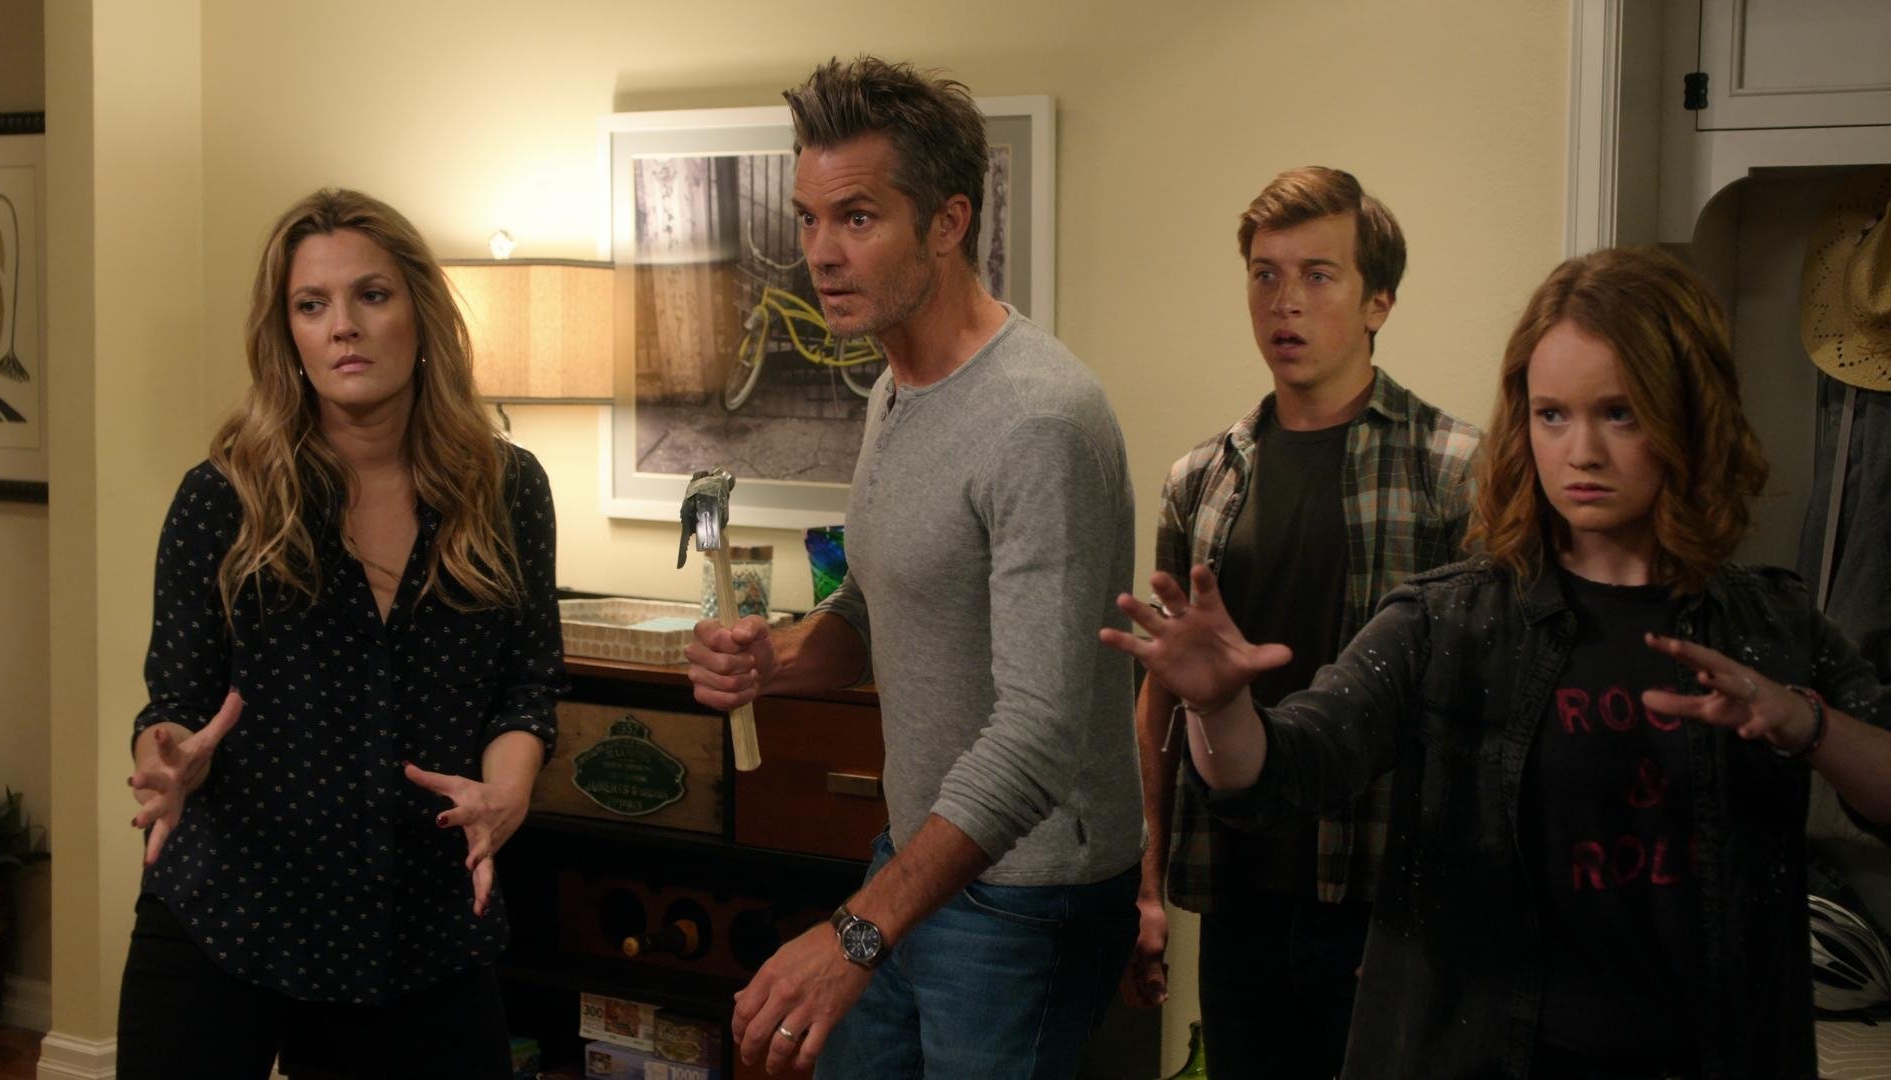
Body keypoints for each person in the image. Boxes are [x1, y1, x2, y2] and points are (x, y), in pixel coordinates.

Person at [1103, 246, 1891, 1078]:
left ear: (1691, 417)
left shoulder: (1771, 622)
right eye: (1552, 415)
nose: (1581, 451)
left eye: (1620, 414)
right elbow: (1289, 770)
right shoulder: (1449, 620)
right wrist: (1220, 708)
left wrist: (1807, 724)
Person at [684, 57, 1142, 1079]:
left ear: (947, 222)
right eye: (808, 220)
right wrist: (774, 660)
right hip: (920, 856)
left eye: (857, 218)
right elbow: (868, 608)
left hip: (1027, 892)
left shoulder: (1040, 420)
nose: (820, 253)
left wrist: (855, 934)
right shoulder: (894, 388)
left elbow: (1038, 739)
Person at [116, 189, 565, 1079]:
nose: (343, 327)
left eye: (372, 295)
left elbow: (528, 688)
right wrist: (167, 762)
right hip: (229, 913)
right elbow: (174, 704)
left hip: (420, 927)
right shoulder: (221, 498)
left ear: (420, 311)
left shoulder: (507, 489)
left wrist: (505, 797)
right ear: (286, 333)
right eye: (312, 305)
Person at [1127, 166, 1478, 1078]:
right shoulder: (1202, 479)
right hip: (1238, 888)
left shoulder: (1453, 471)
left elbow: (1477, 721)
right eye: (1265, 274)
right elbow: (1162, 699)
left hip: (1384, 901)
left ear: (1378, 301)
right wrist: (1148, 882)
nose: (1285, 302)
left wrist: (1451, 913)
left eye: (1319, 275)